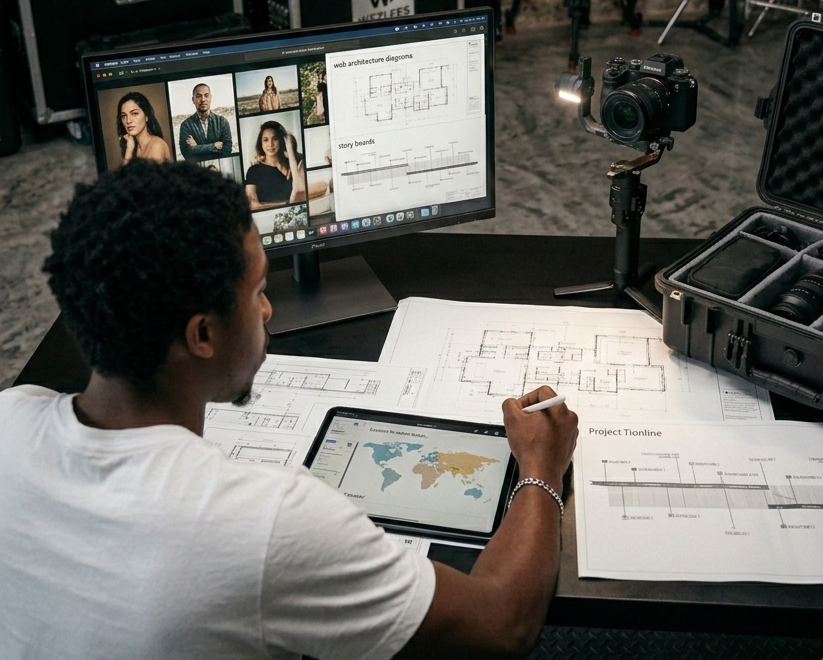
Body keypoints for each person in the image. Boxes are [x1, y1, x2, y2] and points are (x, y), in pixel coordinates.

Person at [0, 161, 578, 660]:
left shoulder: (9, 420)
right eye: (256, 291)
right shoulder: (266, 522)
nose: (270, 308)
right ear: (203, 334)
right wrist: (541, 468)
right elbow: (501, 627)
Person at [244, 120, 307, 210]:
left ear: (281, 141)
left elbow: (302, 192)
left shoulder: (296, 163)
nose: (270, 144)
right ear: (260, 144)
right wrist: (287, 203)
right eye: (265, 140)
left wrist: (290, 152)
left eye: (275, 139)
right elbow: (251, 204)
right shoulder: (254, 171)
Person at [178, 82, 233, 160]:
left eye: (206, 95)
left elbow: (227, 150)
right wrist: (214, 146)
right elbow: (187, 152)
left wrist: (197, 148)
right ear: (193, 100)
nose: (203, 99)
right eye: (198, 96)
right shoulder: (186, 125)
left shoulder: (222, 122)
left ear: (210, 98)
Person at [116, 91, 171, 164]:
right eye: (124, 116)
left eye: (134, 113)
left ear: (146, 116)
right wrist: (129, 149)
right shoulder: (133, 147)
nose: (128, 121)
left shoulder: (157, 145)